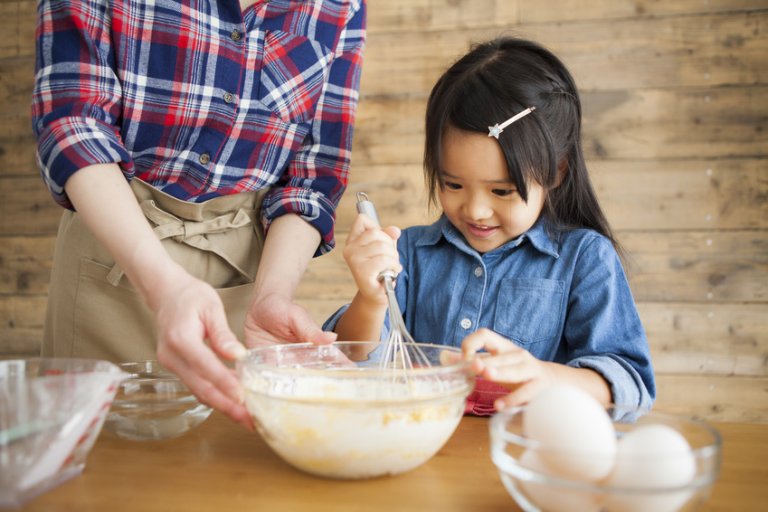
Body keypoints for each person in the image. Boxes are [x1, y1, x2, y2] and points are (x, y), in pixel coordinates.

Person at [31, 0, 366, 428]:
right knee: (100, 468)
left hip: (246, 287)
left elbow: (312, 177)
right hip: (112, 257)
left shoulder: (343, 7)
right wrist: (164, 286)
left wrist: (272, 297)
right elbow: (74, 123)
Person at [325, 36, 655, 415]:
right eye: (453, 184)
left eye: (502, 190)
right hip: (425, 454)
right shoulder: (409, 255)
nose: (476, 210)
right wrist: (370, 300)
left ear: (557, 171)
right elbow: (349, 362)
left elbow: (630, 381)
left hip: (529, 454)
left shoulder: (583, 259)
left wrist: (548, 377)